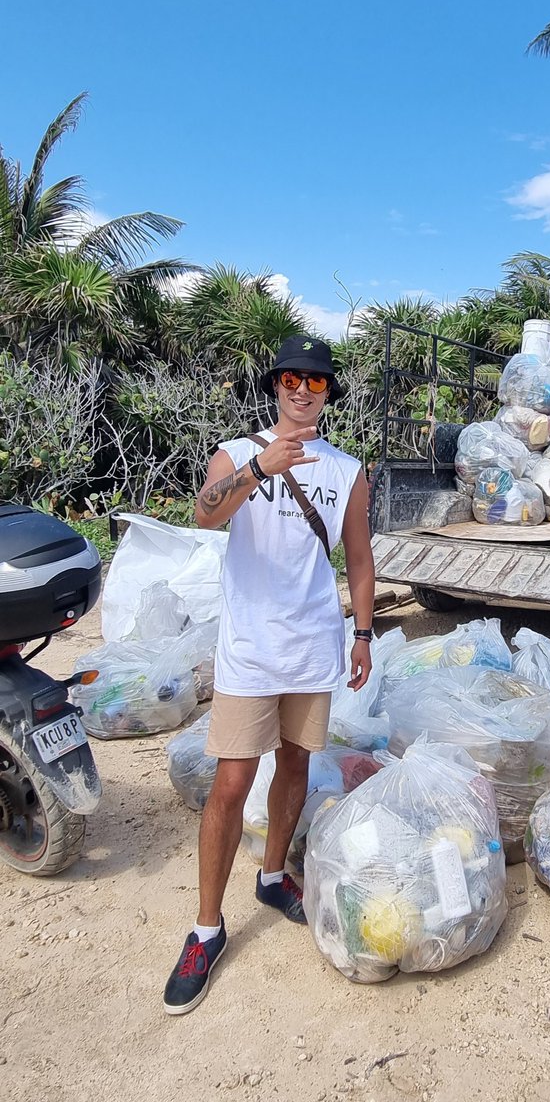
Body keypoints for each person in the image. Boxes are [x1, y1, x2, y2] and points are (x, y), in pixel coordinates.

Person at [163, 335, 375, 1015]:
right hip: (250, 651)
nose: (302, 390)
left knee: (295, 765)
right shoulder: (235, 453)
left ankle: (272, 874)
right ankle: (206, 929)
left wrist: (363, 633)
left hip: (312, 646)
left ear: (328, 394)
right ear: (275, 385)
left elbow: (359, 559)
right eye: (292, 378)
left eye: (316, 381)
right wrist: (261, 466)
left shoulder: (347, 470)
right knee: (231, 783)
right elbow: (204, 512)